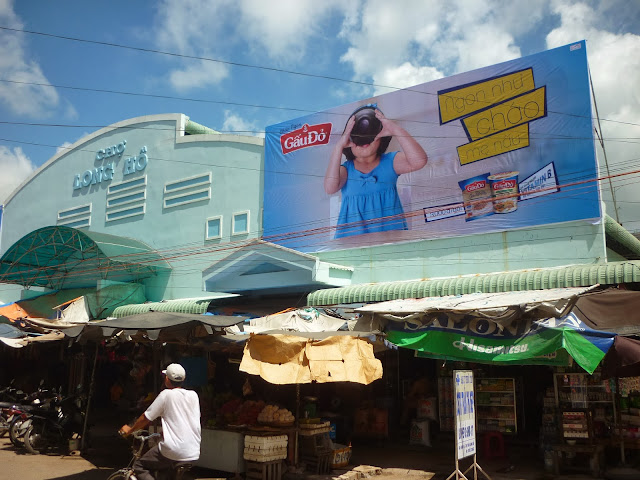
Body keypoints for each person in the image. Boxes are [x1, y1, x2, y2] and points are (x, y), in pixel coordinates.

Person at [324, 104, 428, 239]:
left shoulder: (390, 162)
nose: (364, 139)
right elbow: (330, 188)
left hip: (390, 238)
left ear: (381, 138)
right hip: (353, 241)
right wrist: (338, 146)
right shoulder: (346, 170)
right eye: (357, 135)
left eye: (370, 134)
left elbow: (419, 161)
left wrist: (396, 130)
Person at [119, 363, 201, 480]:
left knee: (139, 466)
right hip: (193, 451)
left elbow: (146, 417)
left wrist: (130, 430)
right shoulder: (193, 395)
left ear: (167, 378)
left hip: (173, 449)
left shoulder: (166, 395)